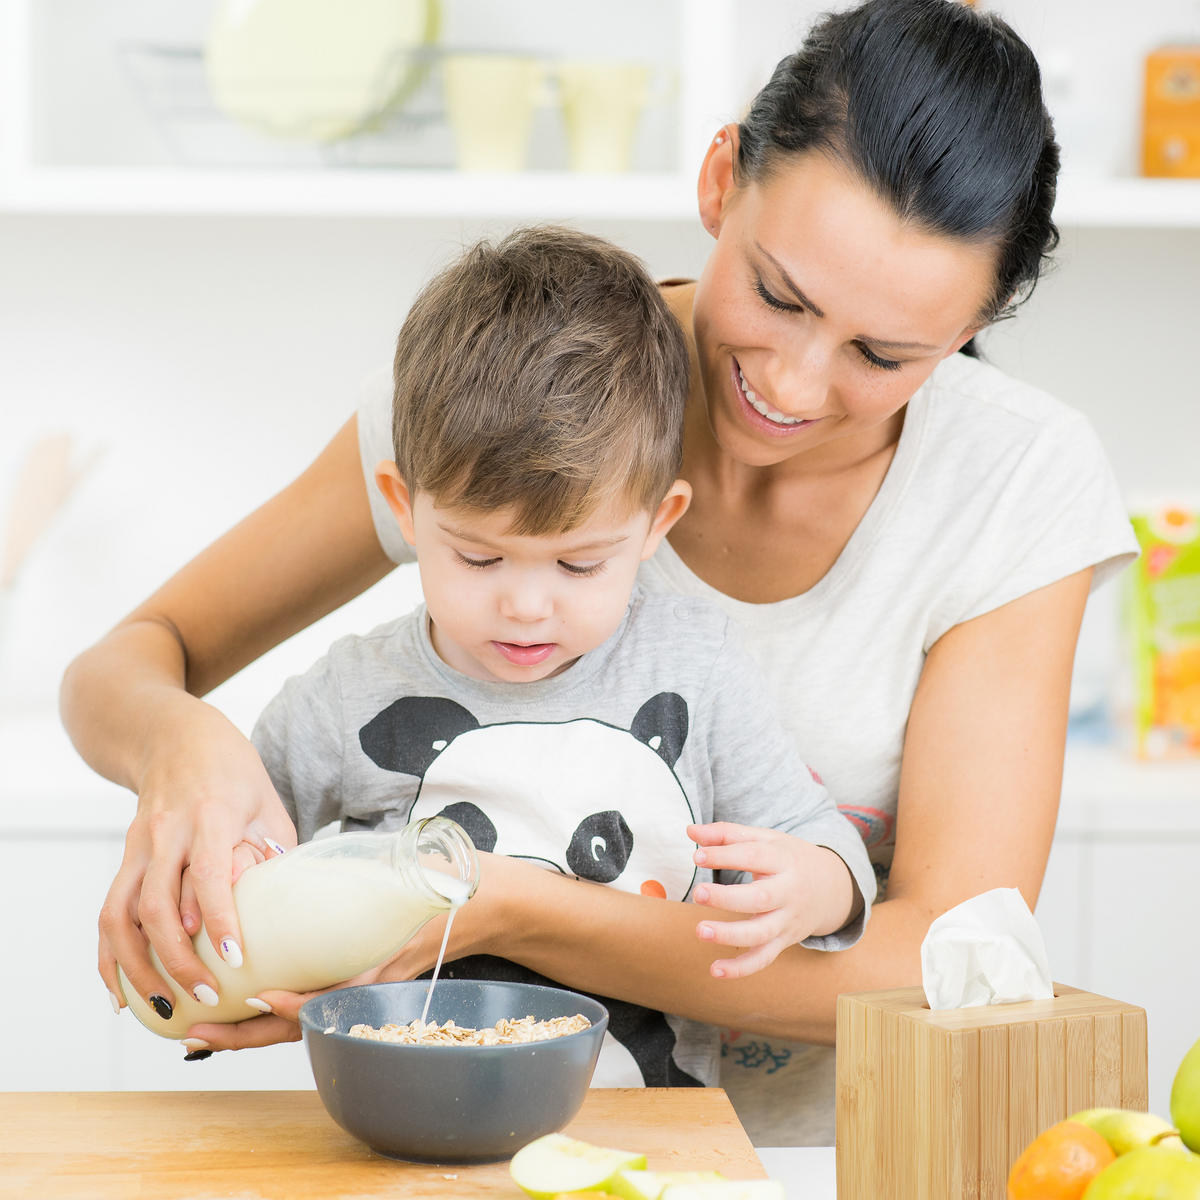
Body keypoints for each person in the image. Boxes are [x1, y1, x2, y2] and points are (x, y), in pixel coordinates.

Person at [63, 0, 1138, 1144]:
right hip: (464, 1144)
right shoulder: (500, 401)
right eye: (778, 294)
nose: (795, 383)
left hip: (820, 1161)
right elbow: (126, 664)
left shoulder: (1013, 479)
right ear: (720, 182)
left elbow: (947, 959)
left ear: (973, 325)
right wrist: (183, 752)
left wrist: (497, 908)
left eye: (885, 354)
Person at [231, 225, 874, 1088]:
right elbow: (240, 846)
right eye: (478, 557)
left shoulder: (697, 669)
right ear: (403, 506)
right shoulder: (350, 694)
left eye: (579, 565)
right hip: (405, 1113)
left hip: (653, 1128)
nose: (527, 606)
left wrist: (813, 886)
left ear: (657, 524)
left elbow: (821, 844)